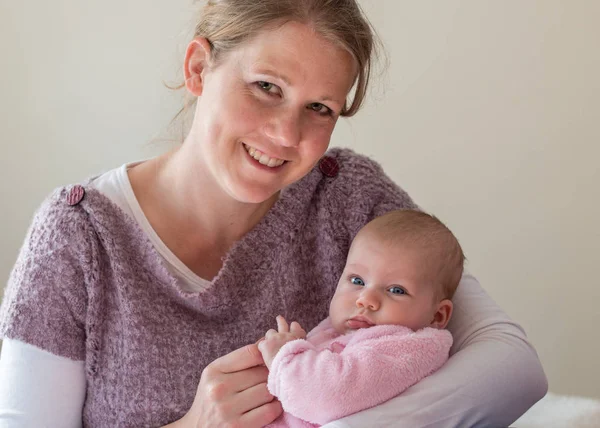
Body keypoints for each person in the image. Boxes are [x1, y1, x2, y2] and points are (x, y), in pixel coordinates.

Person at [0, 0, 547, 427]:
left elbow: (514, 368)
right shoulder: (78, 237)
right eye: (266, 87)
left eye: (319, 109)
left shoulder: (348, 197)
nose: (287, 135)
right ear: (197, 68)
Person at [258, 210, 462, 427]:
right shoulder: (338, 330)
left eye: (396, 290)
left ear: (437, 316)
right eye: (357, 280)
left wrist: (285, 355)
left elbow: (327, 396)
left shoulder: (407, 350)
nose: (365, 299)